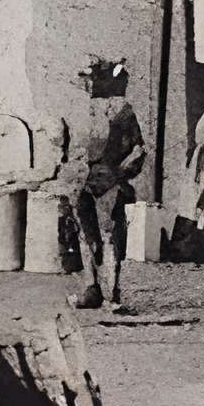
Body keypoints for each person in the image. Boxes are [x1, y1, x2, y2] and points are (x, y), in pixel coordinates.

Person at [72, 58, 145, 311]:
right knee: (85, 236)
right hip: (85, 181)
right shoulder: (85, 112)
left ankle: (111, 294)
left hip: (110, 183)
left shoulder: (123, 111)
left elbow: (137, 150)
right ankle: (91, 288)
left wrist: (119, 174)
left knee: (109, 236)